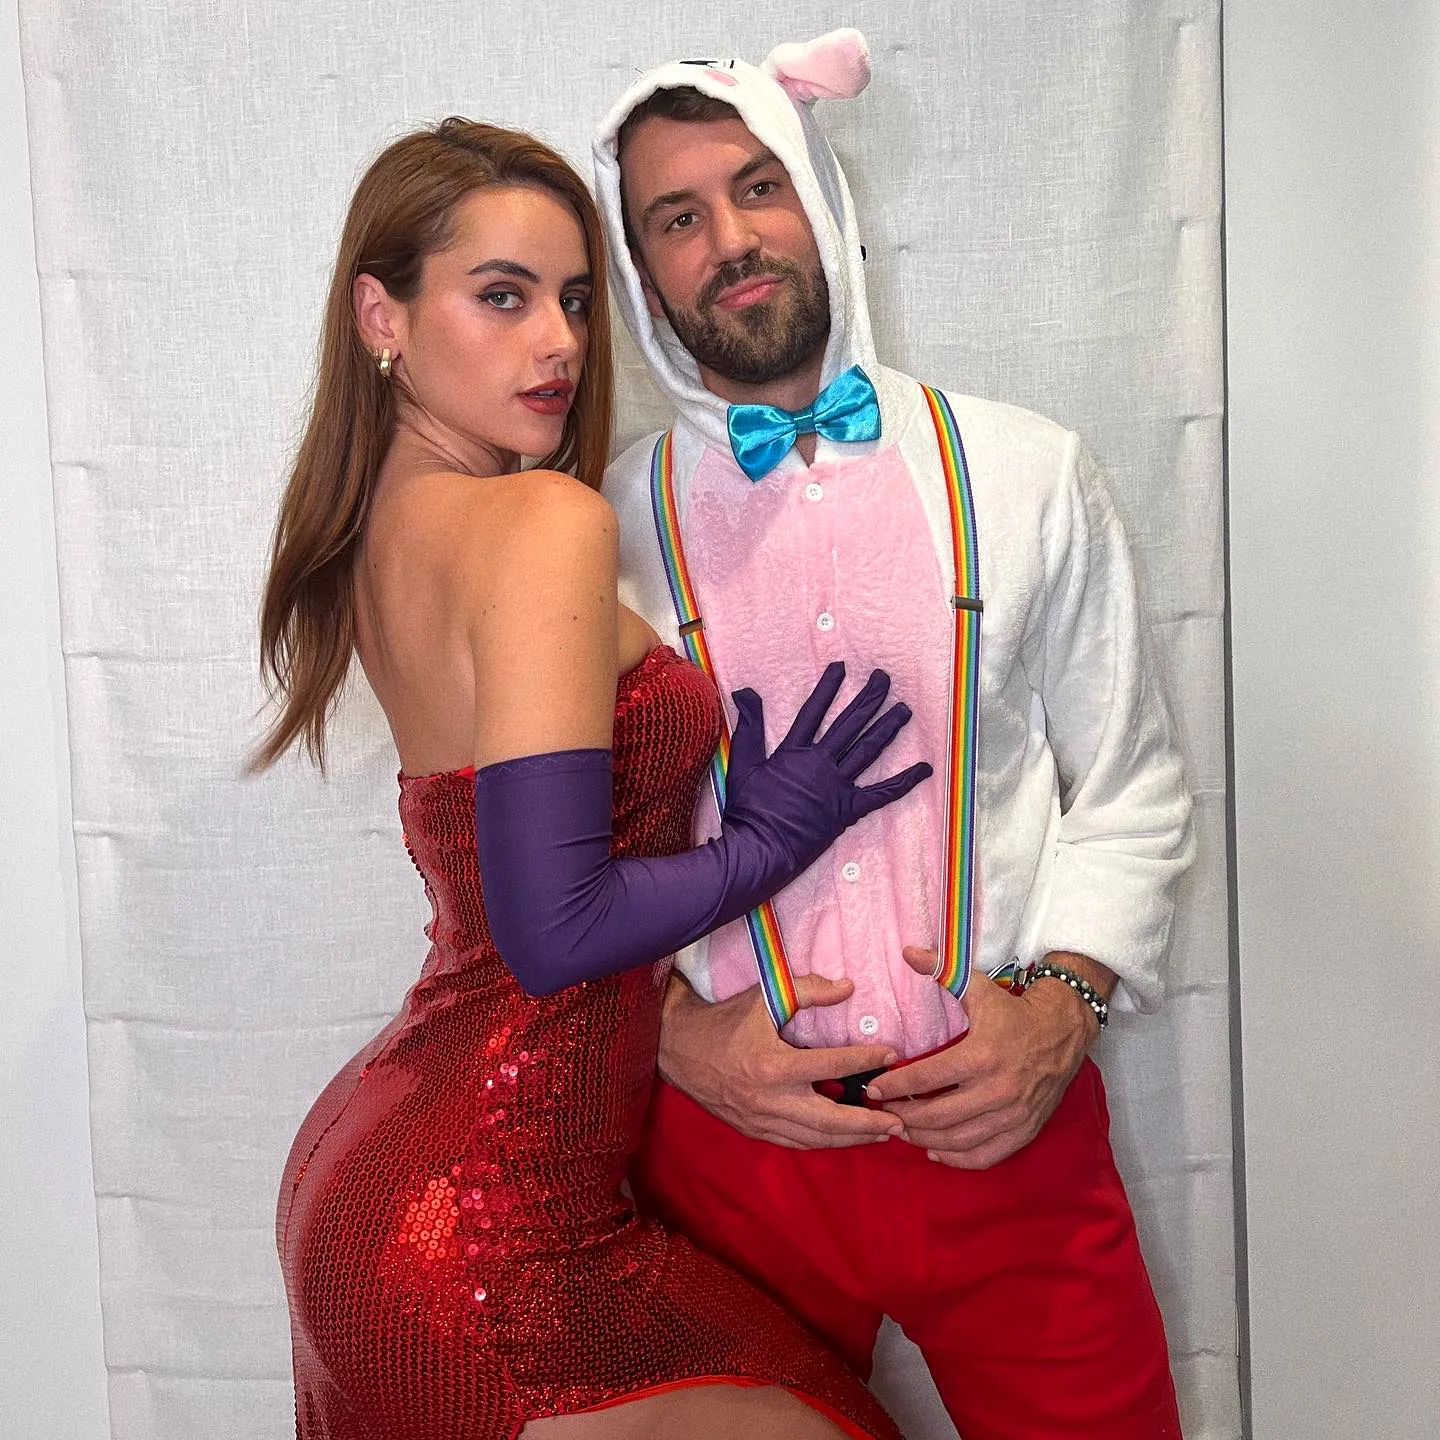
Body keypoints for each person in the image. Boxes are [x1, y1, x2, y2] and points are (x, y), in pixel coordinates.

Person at [254, 117, 929, 1440]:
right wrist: (764, 847)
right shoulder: (542, 521)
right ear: (381, 316)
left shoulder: (385, 532)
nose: (560, 341)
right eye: (502, 297)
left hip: (389, 1177)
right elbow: (552, 931)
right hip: (488, 1224)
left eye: (573, 298)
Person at [593, 30, 1196, 1440]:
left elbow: (1132, 786)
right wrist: (672, 1038)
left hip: (1007, 1131)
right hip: (730, 1155)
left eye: (759, 187)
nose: (730, 240)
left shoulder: (1029, 471)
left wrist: (1065, 1006)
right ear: (640, 275)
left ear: (823, 200)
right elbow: (560, 852)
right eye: (677, 218)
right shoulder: (599, 530)